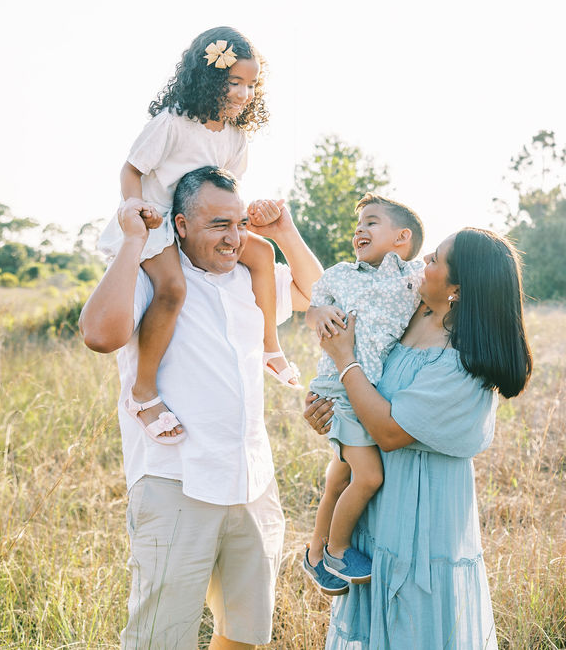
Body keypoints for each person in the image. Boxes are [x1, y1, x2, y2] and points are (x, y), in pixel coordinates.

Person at [80, 165, 322, 650]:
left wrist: (284, 231)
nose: (234, 239)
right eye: (218, 225)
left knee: (245, 634)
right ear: (181, 225)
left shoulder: (250, 279)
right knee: (159, 640)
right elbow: (100, 335)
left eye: (238, 224)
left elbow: (318, 295)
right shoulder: (156, 280)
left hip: (251, 481)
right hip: (176, 480)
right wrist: (132, 241)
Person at [304, 228, 533, 649]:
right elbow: (341, 288)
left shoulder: (463, 364)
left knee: (416, 628)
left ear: (458, 290)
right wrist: (327, 407)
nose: (422, 262)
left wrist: (344, 361)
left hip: (421, 518)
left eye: (435, 260)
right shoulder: (412, 310)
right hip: (376, 500)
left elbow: (389, 431)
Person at [96, 26, 298, 447]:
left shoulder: (236, 136)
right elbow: (130, 170)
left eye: (251, 85)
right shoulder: (171, 123)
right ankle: (143, 390)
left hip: (200, 226)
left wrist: (249, 218)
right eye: (234, 82)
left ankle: (269, 347)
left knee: (260, 254)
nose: (243, 93)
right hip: (157, 222)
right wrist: (134, 207)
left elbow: (226, 189)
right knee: (171, 289)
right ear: (207, 79)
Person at [300, 194, 425, 595]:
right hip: (340, 385)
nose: (359, 230)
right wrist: (315, 314)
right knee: (367, 476)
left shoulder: (414, 277)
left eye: (372, 223)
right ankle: (336, 550)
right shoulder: (340, 274)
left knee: (340, 474)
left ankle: (314, 553)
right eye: (358, 225)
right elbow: (313, 306)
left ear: (402, 237)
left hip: (368, 388)